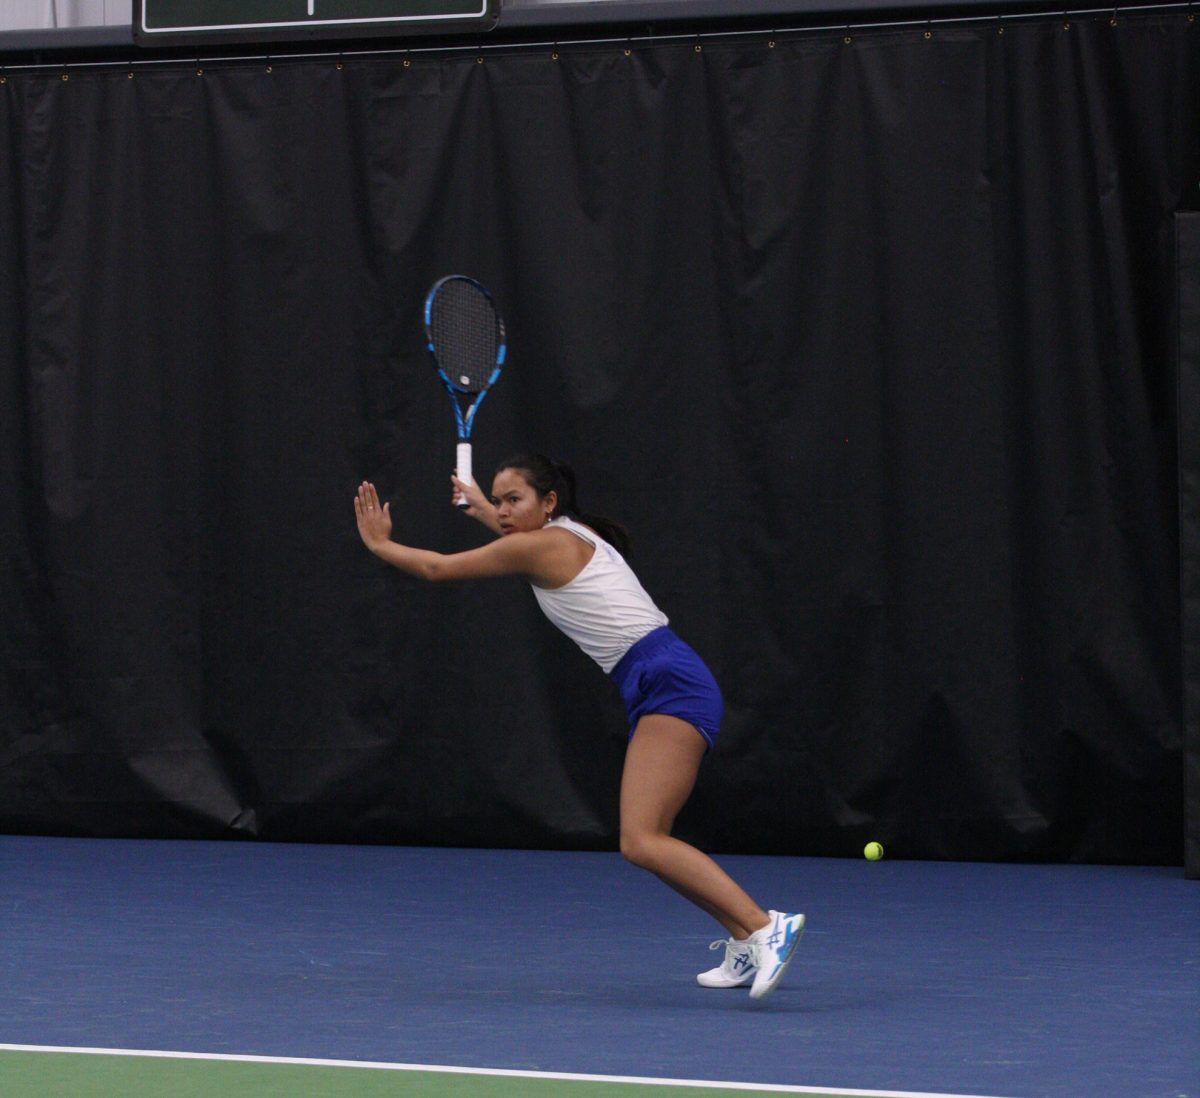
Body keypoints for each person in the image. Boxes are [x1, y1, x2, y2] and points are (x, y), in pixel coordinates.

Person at [353, 453, 804, 1000]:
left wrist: (380, 545)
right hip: (666, 679)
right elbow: (511, 533)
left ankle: (763, 925)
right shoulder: (568, 531)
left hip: (668, 684)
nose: (502, 509)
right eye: (497, 500)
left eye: (513, 499)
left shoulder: (541, 544)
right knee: (649, 839)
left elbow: (438, 569)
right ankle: (741, 937)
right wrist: (479, 508)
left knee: (640, 841)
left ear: (548, 502)